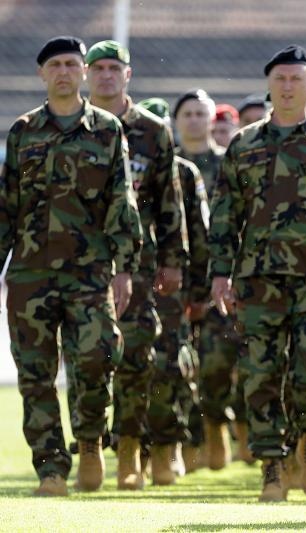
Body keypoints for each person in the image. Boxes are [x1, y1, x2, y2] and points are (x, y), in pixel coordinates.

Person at [0, 36, 142, 496]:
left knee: (95, 361)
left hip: (89, 270)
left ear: (82, 72)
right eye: (54, 65)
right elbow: (6, 205)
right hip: (30, 272)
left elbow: (122, 199)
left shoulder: (106, 129)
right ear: (42, 75)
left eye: (70, 64)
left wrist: (124, 265)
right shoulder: (23, 131)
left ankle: (88, 440)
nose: (63, 71)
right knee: (36, 375)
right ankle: (51, 471)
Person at [209, 44, 306, 502]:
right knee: (260, 371)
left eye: (297, 78)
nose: (288, 86)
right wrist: (219, 274)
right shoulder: (244, 144)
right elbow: (225, 215)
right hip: (258, 278)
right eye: (281, 79)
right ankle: (271, 463)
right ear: (269, 85)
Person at [84, 39, 188, 490]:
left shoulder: (151, 130)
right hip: (81, 263)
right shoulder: (73, 125)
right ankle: (89, 446)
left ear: (128, 75)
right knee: (88, 357)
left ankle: (130, 445)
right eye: (99, 67)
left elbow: (170, 201)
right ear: (89, 74)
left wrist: (173, 260)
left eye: (114, 68)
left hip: (140, 264)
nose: (106, 75)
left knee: (140, 357)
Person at [138, 96, 214, 482]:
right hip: (127, 280)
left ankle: (169, 445)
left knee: (171, 365)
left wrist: (198, 292)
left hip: (170, 286)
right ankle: (132, 446)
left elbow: (198, 237)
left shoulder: (183, 173)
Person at [174, 88, 243, 472]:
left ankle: (217, 425)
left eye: (202, 114)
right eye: (188, 114)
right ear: (178, 120)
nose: (196, 120)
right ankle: (188, 439)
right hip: (177, 283)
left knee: (217, 362)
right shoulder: (167, 165)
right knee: (178, 365)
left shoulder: (228, 163)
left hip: (220, 279)